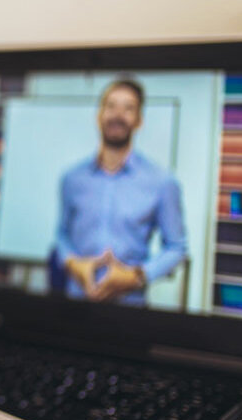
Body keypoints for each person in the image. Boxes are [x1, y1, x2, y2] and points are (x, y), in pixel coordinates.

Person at [55, 78, 187, 306]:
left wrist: (137, 275)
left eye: (128, 108)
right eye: (111, 106)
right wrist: (72, 262)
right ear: (99, 115)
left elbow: (177, 247)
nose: (118, 115)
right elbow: (61, 234)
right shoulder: (72, 178)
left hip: (129, 312)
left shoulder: (163, 182)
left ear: (139, 121)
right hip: (73, 307)